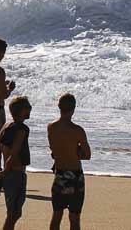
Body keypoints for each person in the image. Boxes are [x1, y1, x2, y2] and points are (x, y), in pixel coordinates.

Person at [47, 94, 91, 230]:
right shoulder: (78, 130)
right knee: (74, 217)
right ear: (73, 109)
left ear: (59, 107)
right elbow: (87, 155)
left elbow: (54, 151)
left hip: (60, 174)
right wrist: (75, 151)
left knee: (57, 215)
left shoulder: (51, 127)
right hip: (75, 176)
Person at [0, 96, 32, 230]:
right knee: (14, 213)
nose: (30, 109)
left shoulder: (6, 125)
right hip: (16, 173)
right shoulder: (22, 129)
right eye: (28, 107)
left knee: (12, 212)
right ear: (21, 111)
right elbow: (14, 153)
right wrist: (5, 170)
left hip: (8, 173)